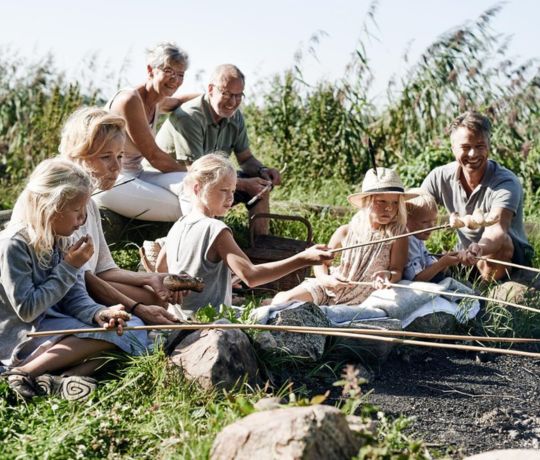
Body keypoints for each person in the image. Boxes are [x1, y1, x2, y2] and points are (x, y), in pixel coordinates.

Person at [0, 159, 147, 400]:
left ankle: (59, 379)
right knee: (116, 337)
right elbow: (27, 310)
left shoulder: (63, 238)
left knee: (131, 329)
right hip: (23, 334)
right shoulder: (14, 245)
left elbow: (75, 297)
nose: (81, 220)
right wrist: (70, 266)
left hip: (55, 326)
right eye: (77, 212)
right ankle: (21, 373)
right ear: (51, 207)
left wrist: (99, 313)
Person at [155, 154, 332, 320]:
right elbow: (251, 276)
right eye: (224, 190)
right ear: (197, 188)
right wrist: (302, 259)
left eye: (233, 191)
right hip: (210, 322)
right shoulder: (215, 229)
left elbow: (160, 268)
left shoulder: (179, 225)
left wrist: (213, 284)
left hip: (180, 319)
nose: (230, 198)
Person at [58, 106, 180, 326]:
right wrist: (139, 309)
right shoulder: (61, 203)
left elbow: (104, 269)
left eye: (120, 155)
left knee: (157, 298)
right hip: (62, 298)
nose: (116, 167)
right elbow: (82, 279)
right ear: (78, 155)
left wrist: (152, 278)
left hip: (86, 285)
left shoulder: (90, 205)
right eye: (106, 157)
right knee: (150, 309)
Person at [155, 64, 281, 235]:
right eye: (227, 94)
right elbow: (198, 173)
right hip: (172, 179)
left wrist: (262, 170)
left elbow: (245, 159)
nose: (232, 102)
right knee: (215, 186)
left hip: (212, 178)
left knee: (259, 184)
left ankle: (260, 247)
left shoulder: (235, 117)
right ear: (211, 89)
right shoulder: (190, 117)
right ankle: (212, 246)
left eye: (238, 96)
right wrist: (243, 185)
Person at [272, 167, 413, 306]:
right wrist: (325, 279)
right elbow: (321, 262)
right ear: (366, 201)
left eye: (394, 203)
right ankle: (273, 301)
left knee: (301, 312)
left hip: (359, 296)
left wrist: (387, 275)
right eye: (381, 201)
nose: (388, 208)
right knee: (284, 302)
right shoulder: (346, 231)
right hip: (328, 288)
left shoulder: (397, 235)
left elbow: (397, 270)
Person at [422, 111, 534, 281]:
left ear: (488, 146)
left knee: (501, 245)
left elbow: (497, 230)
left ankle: (490, 288)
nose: (473, 154)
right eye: (466, 147)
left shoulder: (506, 182)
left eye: (480, 146)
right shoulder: (439, 177)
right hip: (468, 254)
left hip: (505, 254)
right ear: (453, 148)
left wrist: (479, 248)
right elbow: (415, 208)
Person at [94, 42, 196, 221]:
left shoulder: (157, 101)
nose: (175, 79)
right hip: (110, 179)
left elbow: (178, 101)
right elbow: (154, 157)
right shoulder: (129, 100)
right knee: (192, 203)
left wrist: (214, 96)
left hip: (137, 174)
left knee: (195, 187)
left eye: (180, 74)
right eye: (169, 71)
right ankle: (196, 243)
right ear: (151, 70)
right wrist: (197, 171)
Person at [403, 188, 463, 282]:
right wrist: (441, 264)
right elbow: (417, 280)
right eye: (424, 222)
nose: (431, 226)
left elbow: (429, 263)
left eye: (434, 221)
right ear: (405, 220)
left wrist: (445, 261)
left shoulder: (418, 238)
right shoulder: (409, 242)